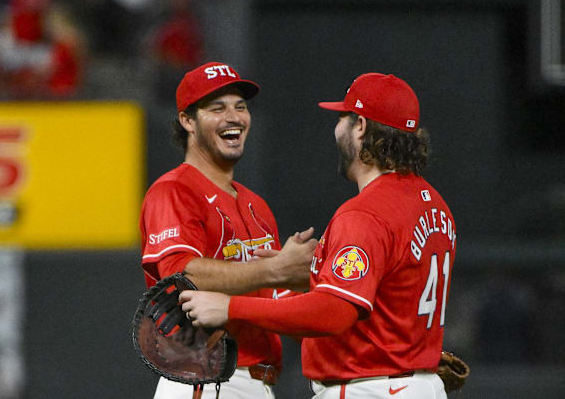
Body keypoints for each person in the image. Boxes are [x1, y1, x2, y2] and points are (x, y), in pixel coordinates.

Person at [180, 72, 457, 399]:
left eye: (342, 117)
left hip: (371, 388)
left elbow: (333, 313)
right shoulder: (436, 206)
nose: (336, 127)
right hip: (417, 383)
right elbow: (385, 295)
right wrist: (302, 277)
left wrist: (230, 307)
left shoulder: (365, 213)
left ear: (361, 127)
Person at [139, 61, 317, 398]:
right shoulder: (174, 190)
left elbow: (279, 301)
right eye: (217, 108)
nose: (233, 116)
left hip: (257, 381)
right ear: (187, 120)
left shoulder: (257, 206)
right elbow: (180, 274)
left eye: (240, 106)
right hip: (207, 378)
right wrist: (276, 269)